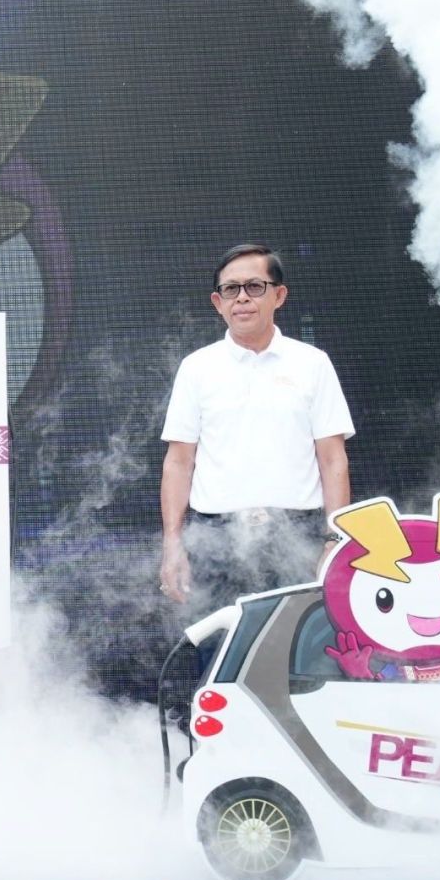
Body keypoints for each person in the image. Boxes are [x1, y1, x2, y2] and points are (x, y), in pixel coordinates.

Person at [158, 243, 353, 608]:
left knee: (299, 640)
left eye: (254, 286)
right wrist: (173, 544)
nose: (242, 298)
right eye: (231, 289)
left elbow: (333, 459)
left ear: (279, 295)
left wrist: (334, 540)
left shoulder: (312, 363)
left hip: (300, 535)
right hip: (215, 539)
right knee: (220, 641)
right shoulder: (197, 368)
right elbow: (178, 462)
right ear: (218, 302)